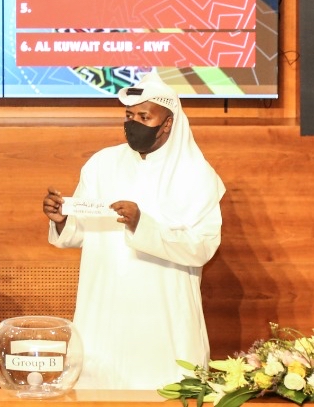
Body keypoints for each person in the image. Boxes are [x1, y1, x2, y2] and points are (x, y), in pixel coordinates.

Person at [42, 71, 225, 390]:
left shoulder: (196, 174)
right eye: (129, 116)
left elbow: (202, 247)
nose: (134, 123)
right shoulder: (102, 164)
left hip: (164, 313)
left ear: (167, 123)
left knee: (166, 386)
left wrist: (143, 225)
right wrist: (61, 220)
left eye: (144, 116)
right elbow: (81, 231)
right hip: (105, 306)